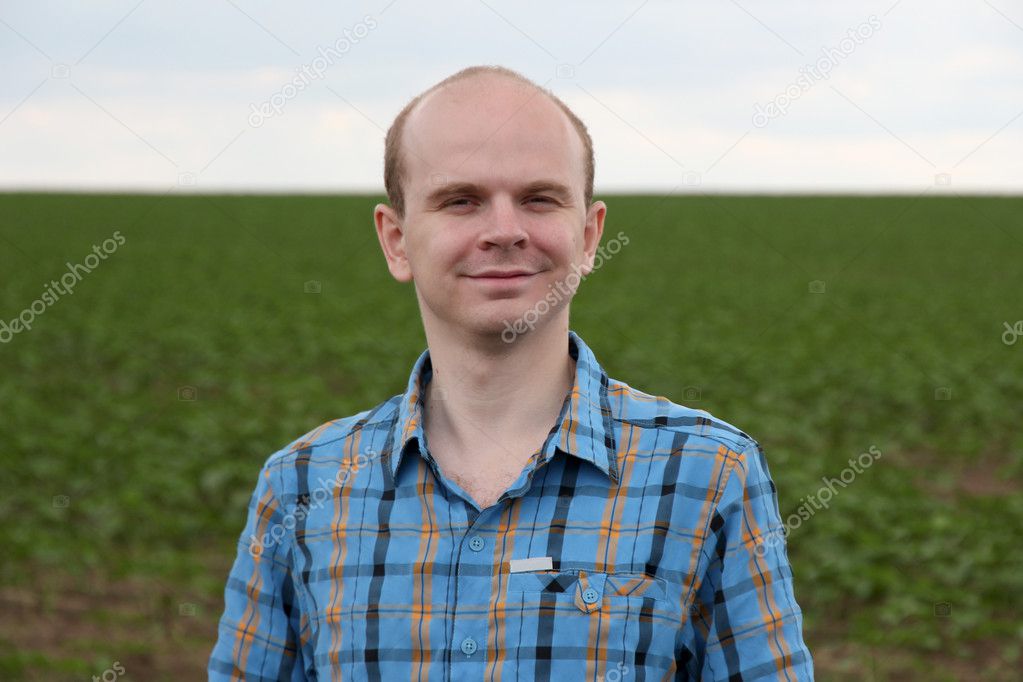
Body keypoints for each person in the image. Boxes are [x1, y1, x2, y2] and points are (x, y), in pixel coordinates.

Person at [208, 64, 814, 680]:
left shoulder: (707, 474)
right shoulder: (299, 488)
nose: (504, 231)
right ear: (396, 240)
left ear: (588, 234)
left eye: (538, 198)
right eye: (461, 201)